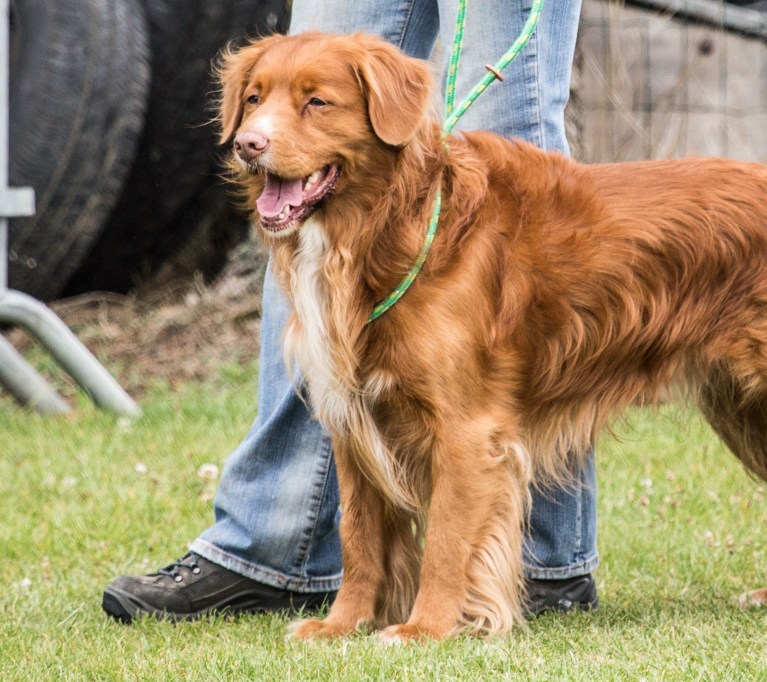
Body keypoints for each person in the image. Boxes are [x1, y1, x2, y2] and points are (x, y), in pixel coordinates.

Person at [102, 0, 599, 624]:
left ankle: (537, 566)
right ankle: (302, 562)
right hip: (341, 235)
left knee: (506, 127)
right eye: (253, 102)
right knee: (316, 46)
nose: (255, 132)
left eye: (312, 105)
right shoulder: (288, 173)